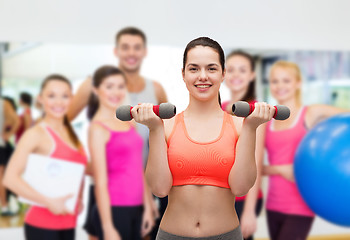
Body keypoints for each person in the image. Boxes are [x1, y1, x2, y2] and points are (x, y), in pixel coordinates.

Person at [132, 37, 275, 239]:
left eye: (211, 68)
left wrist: (251, 127)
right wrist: (154, 130)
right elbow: (159, 189)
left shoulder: (239, 126)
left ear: (223, 73)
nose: (202, 76)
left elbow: (241, 187)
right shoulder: (166, 126)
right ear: (183, 74)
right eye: (193, 69)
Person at [69, 27, 166, 240]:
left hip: (141, 189)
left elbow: (167, 134)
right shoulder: (92, 84)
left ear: (144, 52)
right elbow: (61, 124)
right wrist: (82, 161)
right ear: (116, 51)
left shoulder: (155, 89)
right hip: (109, 191)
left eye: (136, 47)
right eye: (125, 47)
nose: (131, 53)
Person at [262, 60, 349, 240]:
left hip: (300, 205)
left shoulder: (311, 112)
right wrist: (278, 169)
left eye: (286, 81)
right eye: (275, 81)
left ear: (298, 83)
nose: (280, 86)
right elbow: (255, 167)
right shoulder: (267, 121)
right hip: (273, 204)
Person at [3, 74, 87, 240]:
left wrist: (80, 198)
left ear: (71, 99)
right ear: (40, 99)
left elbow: (78, 170)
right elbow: (9, 179)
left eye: (64, 96)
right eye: (51, 96)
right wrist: (49, 202)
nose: (58, 102)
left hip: (68, 221)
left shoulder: (71, 134)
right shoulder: (36, 134)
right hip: (42, 225)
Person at [87, 65, 154, 240]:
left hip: (137, 207)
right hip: (114, 209)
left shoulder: (128, 122)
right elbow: (100, 181)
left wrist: (147, 207)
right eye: (109, 86)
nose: (115, 92)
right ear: (96, 90)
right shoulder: (98, 129)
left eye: (120, 86)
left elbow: (138, 167)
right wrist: (107, 226)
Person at [222, 50, 264, 240]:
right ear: (223, 74)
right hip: (221, 198)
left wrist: (249, 212)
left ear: (252, 75)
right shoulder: (220, 109)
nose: (236, 75)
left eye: (242, 70)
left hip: (244, 199)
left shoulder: (257, 111)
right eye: (231, 69)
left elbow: (256, 163)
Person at [0, 97, 19, 216]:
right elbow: (15, 121)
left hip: (1, 145)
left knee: (3, 176)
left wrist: (7, 134)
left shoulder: (3, 103)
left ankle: (5, 206)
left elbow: (16, 121)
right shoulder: (4, 103)